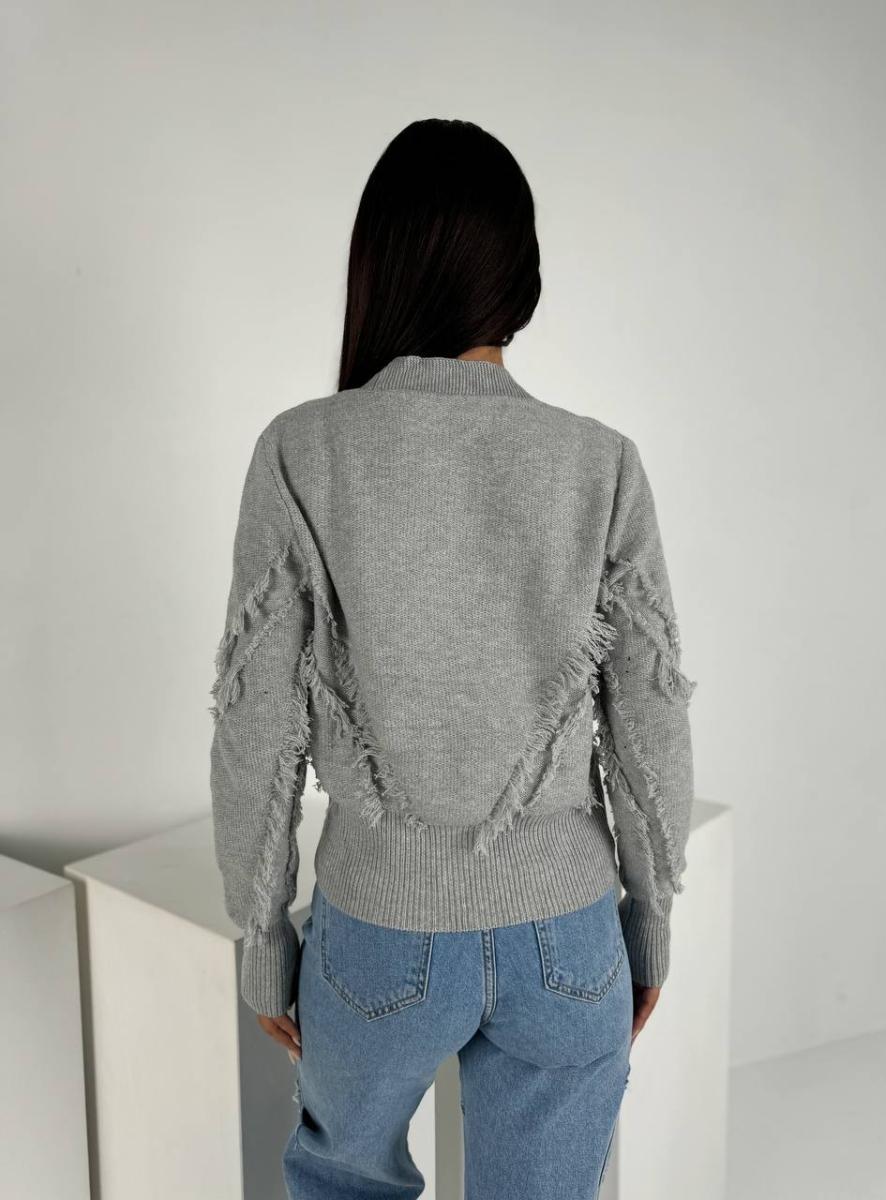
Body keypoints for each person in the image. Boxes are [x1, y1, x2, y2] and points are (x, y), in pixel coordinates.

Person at [209, 117, 697, 1200]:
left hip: (376, 934)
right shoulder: (601, 463)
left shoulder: (301, 450)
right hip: (568, 938)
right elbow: (653, 715)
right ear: (520, 281)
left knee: (344, 1181)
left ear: (380, 265)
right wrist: (649, 927)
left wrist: (262, 942)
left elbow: (255, 722)